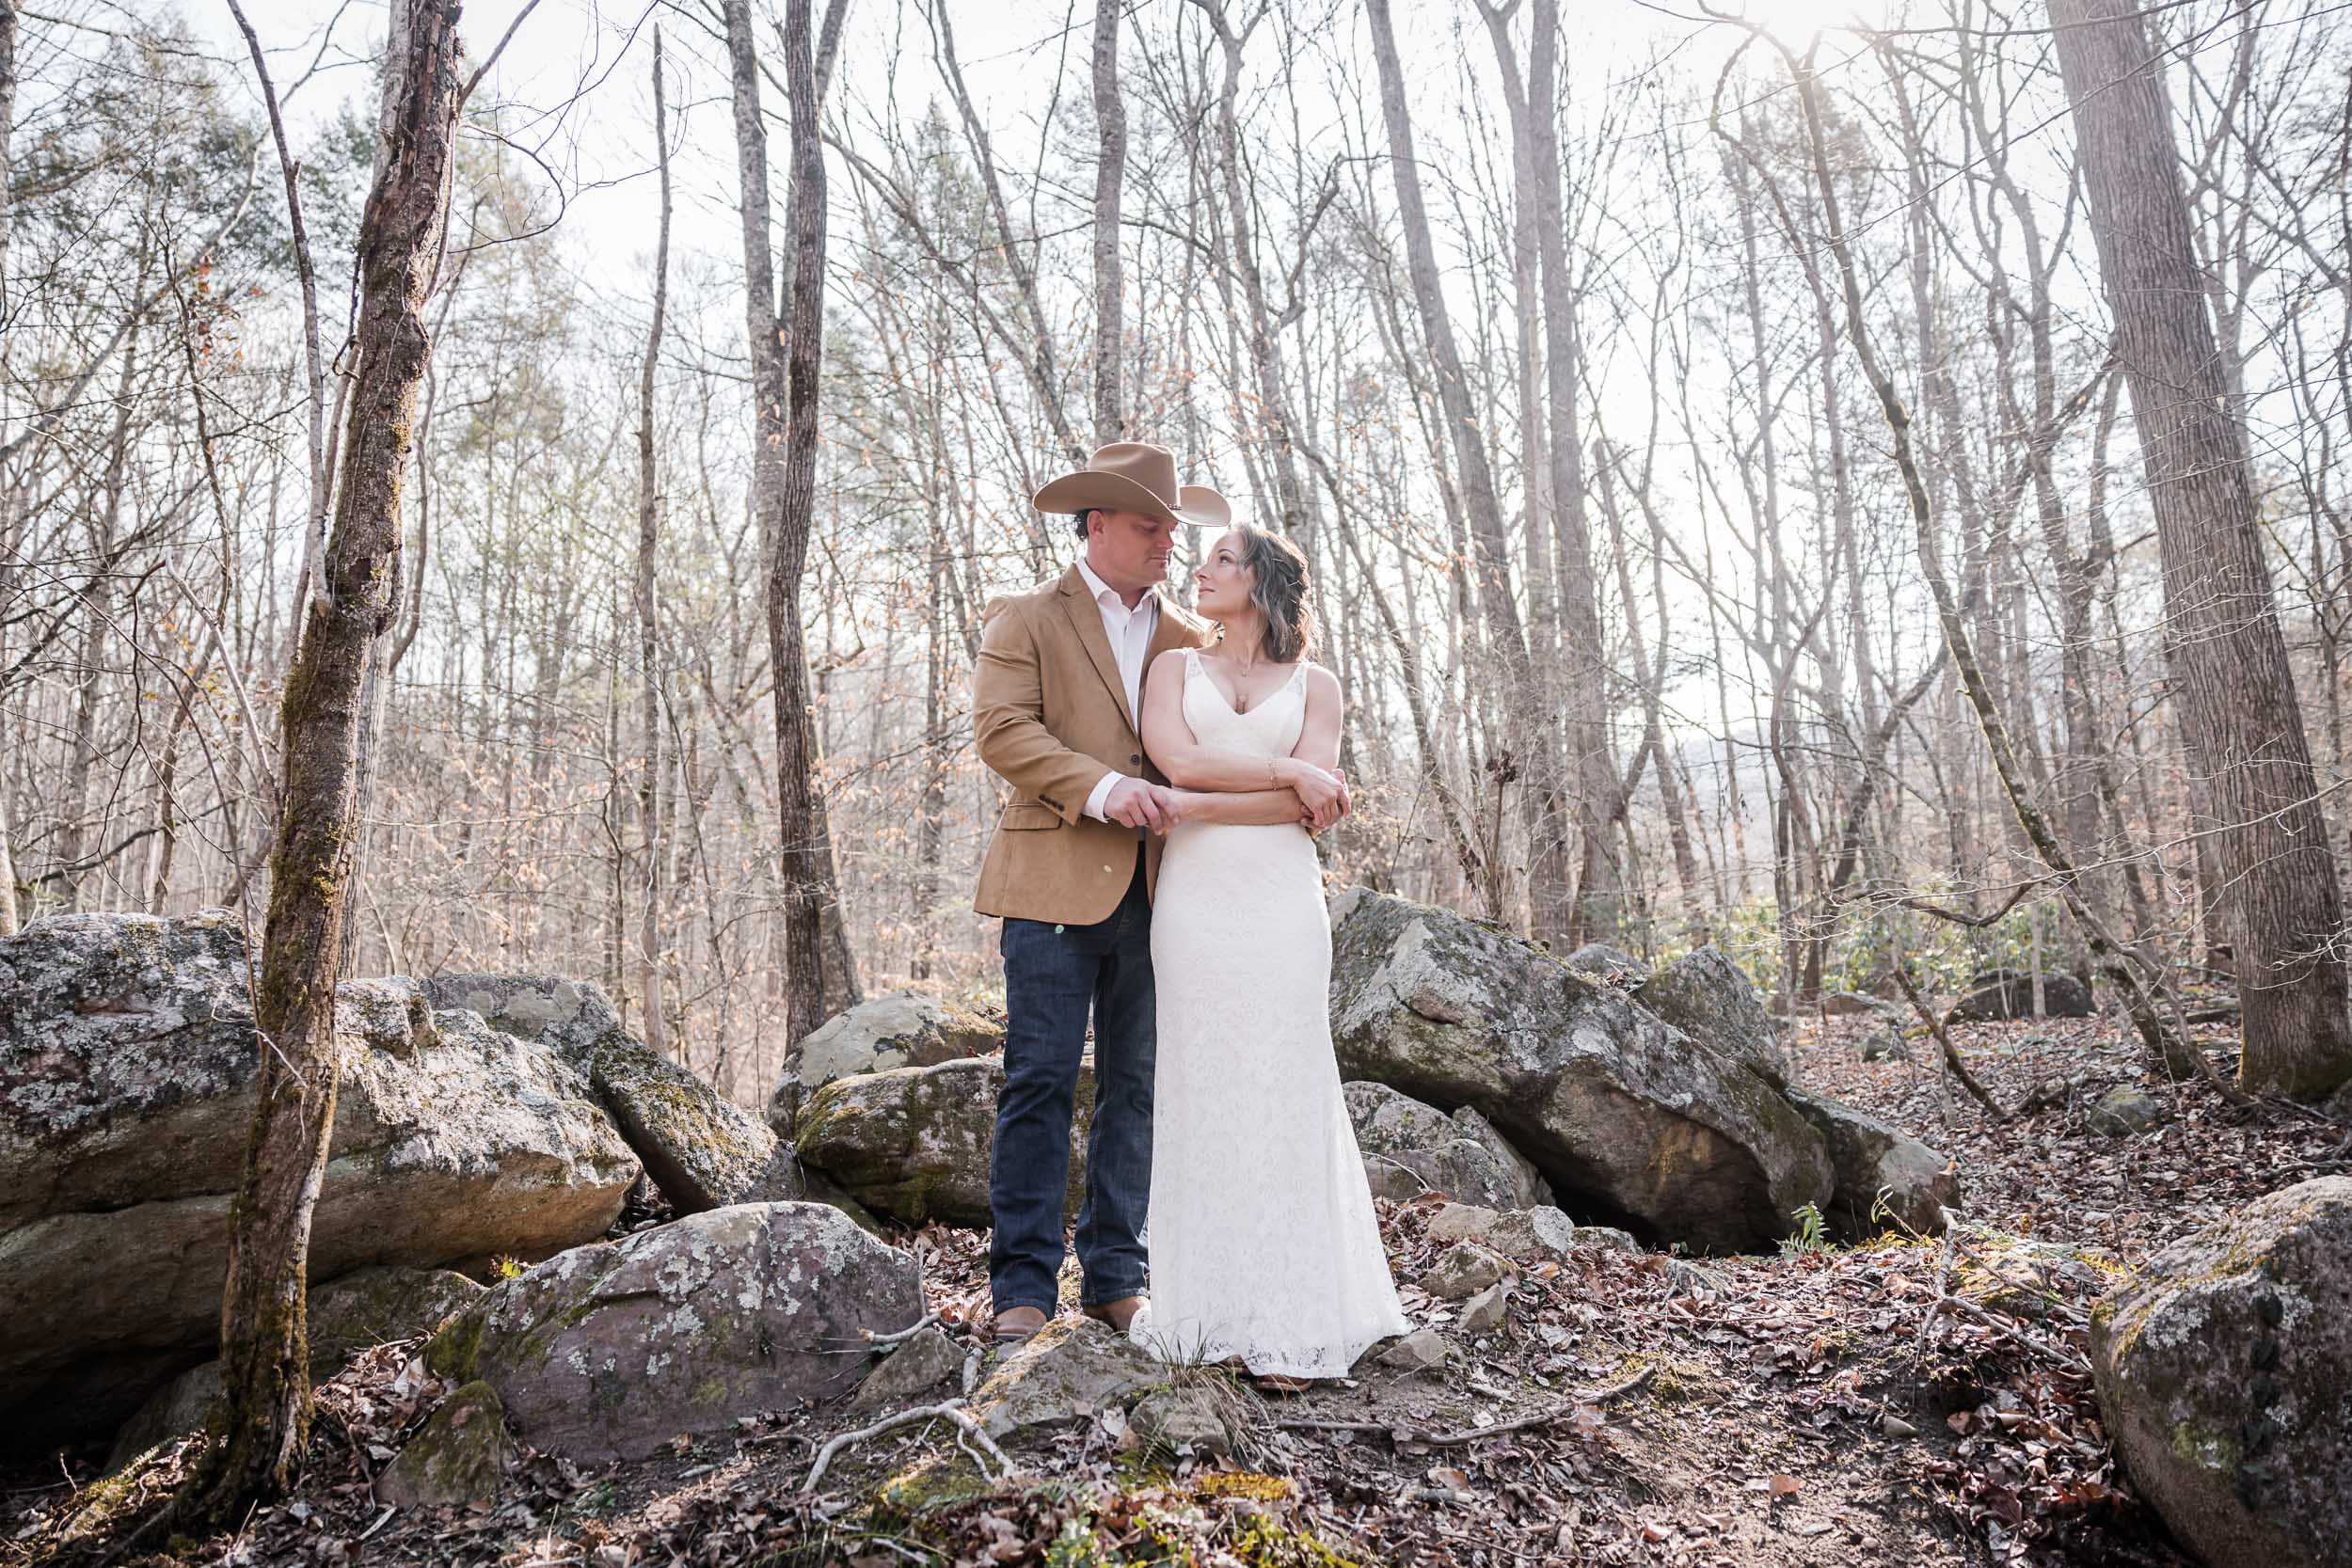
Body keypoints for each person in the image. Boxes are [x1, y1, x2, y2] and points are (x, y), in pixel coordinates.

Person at [970, 442, 1308, 1344]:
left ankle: (1118, 1276)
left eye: (1173, 526)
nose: (1169, 541)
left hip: (1169, 892)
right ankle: (1022, 1288)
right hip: (1051, 883)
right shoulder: (1027, 616)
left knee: (1138, 1084)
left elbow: (1219, 741)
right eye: (1151, 525)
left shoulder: (1190, 640)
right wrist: (1104, 789)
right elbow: (1002, 731)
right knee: (1039, 1079)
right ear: (1096, 526)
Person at [1124, 524, 1411, 1384]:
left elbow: (1300, 816)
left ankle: (1294, 1315)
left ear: (1264, 581)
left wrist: (1234, 795)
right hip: (1192, 905)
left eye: (1220, 560)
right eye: (1202, 558)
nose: (1199, 571)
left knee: (1286, 1082)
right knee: (1200, 1082)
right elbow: (1175, 763)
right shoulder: (1171, 670)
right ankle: (1209, 1311)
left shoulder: (1317, 686)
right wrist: (1289, 775)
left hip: (1285, 905)